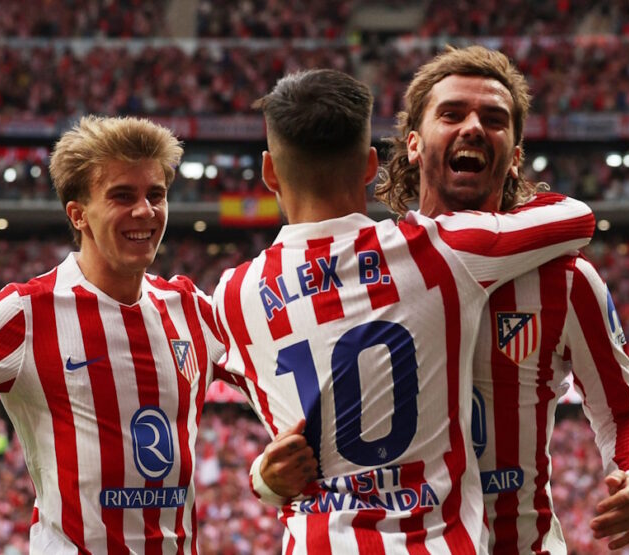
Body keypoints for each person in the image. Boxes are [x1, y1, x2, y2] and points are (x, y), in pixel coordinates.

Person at [215, 68, 595, 553]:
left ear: (270, 172)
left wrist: (263, 480)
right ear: (371, 166)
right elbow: (577, 218)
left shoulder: (233, 296)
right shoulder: (435, 250)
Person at [0, 115, 234, 553]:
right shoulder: (26, 312)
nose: (145, 211)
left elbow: (279, 385)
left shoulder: (192, 308)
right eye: (122, 196)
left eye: (156, 195)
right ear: (78, 215)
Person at [372, 45, 629, 553]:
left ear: (516, 156)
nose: (473, 128)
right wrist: (267, 471)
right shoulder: (369, 271)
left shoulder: (566, 280)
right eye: (452, 114)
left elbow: (624, 411)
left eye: (494, 119)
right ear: (413, 144)